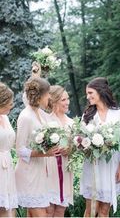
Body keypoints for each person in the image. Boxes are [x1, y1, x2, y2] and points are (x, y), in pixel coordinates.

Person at [80, 77, 120, 217]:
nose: (88, 97)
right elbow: (80, 140)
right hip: (92, 165)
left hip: (110, 165)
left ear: (100, 91)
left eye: (90, 93)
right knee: (91, 209)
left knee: (104, 211)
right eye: (87, 94)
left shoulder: (118, 113)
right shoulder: (87, 116)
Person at [15, 77, 59, 217]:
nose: (49, 97)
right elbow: (20, 150)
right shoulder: (25, 117)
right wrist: (45, 153)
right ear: (40, 96)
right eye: (47, 94)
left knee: (34, 214)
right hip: (28, 174)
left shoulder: (40, 113)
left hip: (40, 173)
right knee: (41, 214)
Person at [46, 85, 74, 217]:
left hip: (65, 167)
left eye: (68, 99)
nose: (67, 102)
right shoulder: (46, 120)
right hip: (49, 167)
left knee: (60, 210)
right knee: (49, 209)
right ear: (55, 101)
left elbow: (75, 148)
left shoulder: (71, 123)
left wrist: (69, 149)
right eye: (63, 100)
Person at [0, 83, 18, 217]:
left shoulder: (5, 118)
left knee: (9, 208)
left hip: (7, 165)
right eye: (10, 103)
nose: (12, 106)